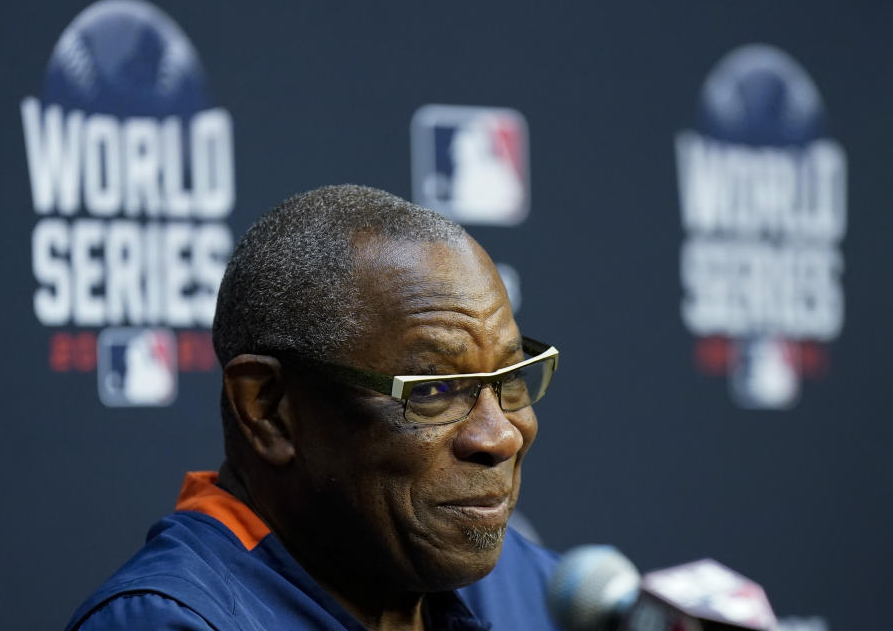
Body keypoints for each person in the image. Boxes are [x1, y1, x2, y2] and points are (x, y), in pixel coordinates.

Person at [65, 184, 562, 631]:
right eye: (432, 390)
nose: (501, 436)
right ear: (268, 408)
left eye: (511, 378)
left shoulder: (537, 589)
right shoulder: (169, 622)